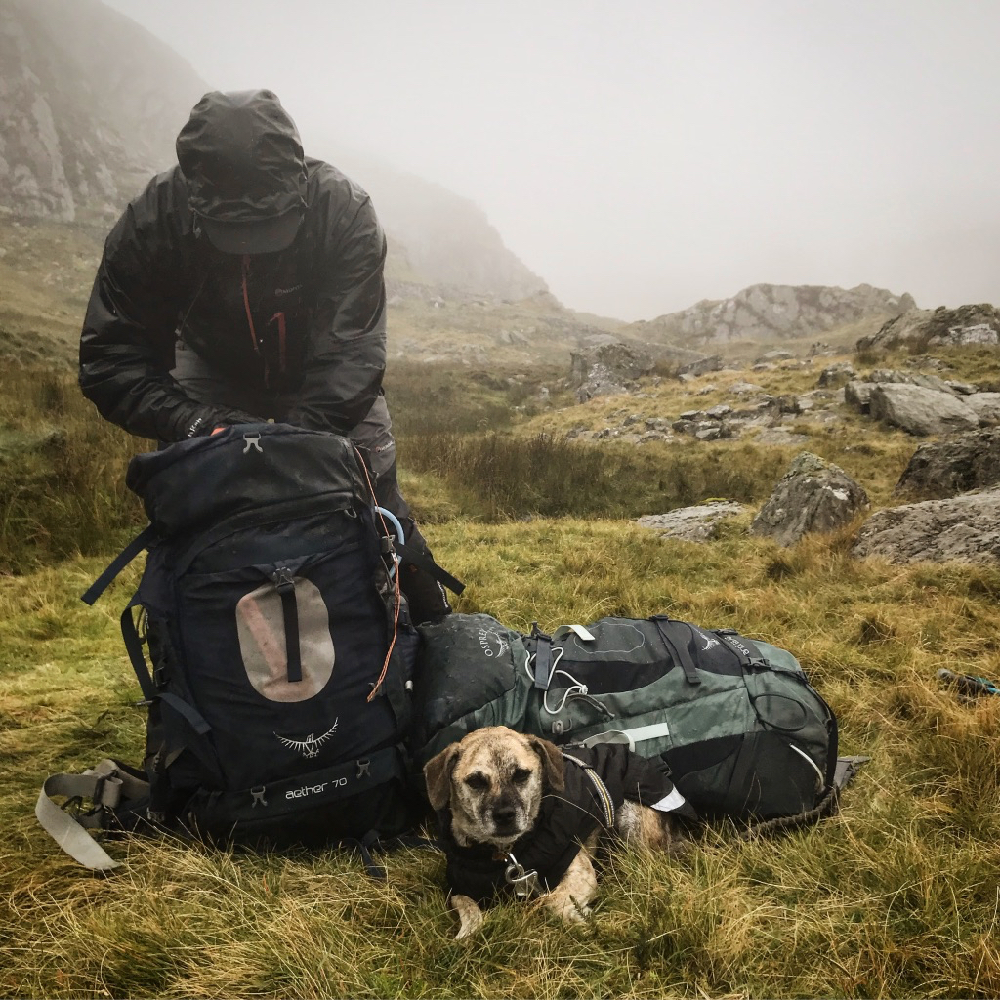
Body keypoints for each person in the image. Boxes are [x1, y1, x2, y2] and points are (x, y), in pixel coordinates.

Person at [79, 88, 451, 623]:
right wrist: (196, 422)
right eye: (233, 235)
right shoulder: (153, 220)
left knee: (374, 489)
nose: (251, 248)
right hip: (209, 370)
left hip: (321, 375)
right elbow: (110, 357)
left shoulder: (344, 212)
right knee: (196, 500)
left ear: (300, 182)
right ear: (194, 196)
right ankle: (193, 660)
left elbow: (352, 358)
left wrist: (292, 446)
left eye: (269, 232)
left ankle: (434, 633)